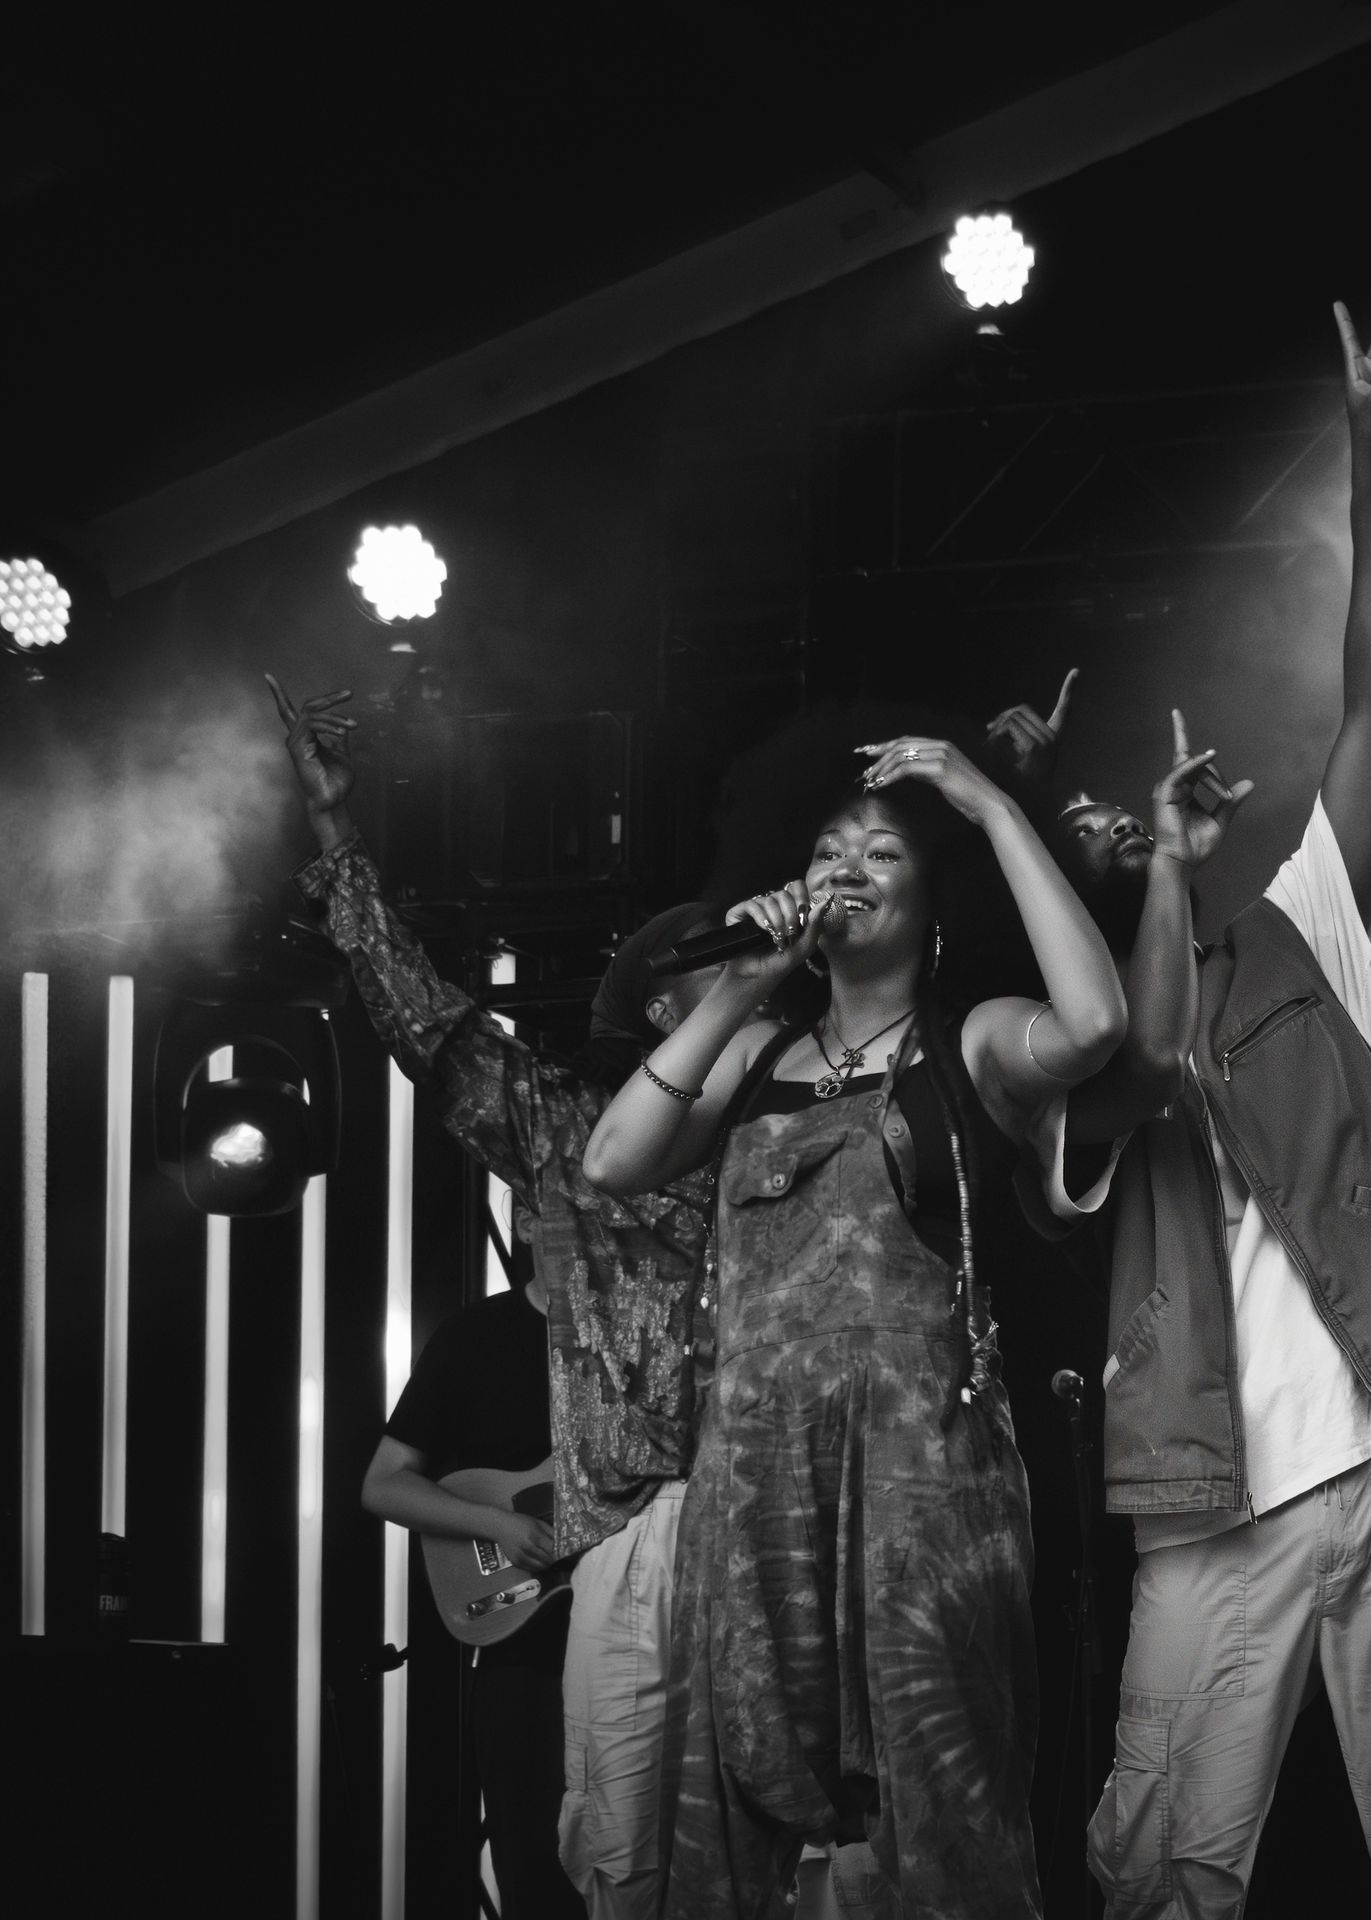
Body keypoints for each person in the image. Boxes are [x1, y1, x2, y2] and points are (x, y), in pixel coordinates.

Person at [990, 303, 1371, 1919]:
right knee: (1167, 1868)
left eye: (1129, 816)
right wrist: (1066, 829)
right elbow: (1134, 1052)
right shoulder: (1065, 1053)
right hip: (1209, 1491)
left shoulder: (1301, 933)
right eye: (1088, 833)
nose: (1120, 828)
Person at [582, 727, 1127, 1920]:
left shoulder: (970, 1038)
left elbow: (1094, 1027)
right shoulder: (760, 1049)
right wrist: (739, 983)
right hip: (757, 1480)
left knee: (943, 1804)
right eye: (831, 851)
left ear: (932, 903)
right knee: (738, 1801)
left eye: (884, 851)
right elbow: (612, 1158)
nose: (850, 867)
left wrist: (984, 801)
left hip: (924, 1484)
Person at [269, 673, 722, 1920]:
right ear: (672, 1008)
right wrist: (335, 836)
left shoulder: (799, 1138)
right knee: (597, 1857)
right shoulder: (572, 1127)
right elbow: (428, 1025)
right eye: (722, 979)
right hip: (619, 1554)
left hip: (756, 1538)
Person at [363, 1198, 584, 1920]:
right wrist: (500, 1524)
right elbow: (383, 1484)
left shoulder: (634, 1335)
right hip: (523, 1655)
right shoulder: (473, 1338)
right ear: (524, 1221)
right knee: (536, 1875)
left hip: (635, 1644)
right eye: (563, 1205)